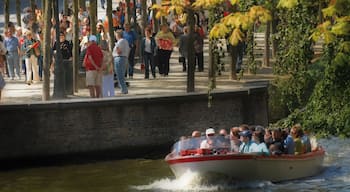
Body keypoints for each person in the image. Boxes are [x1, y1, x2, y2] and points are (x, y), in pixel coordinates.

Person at [113, 30, 130, 94]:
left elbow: (119, 51)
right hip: (124, 58)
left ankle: (124, 89)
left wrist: (116, 46)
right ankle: (123, 89)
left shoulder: (120, 42)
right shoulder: (125, 41)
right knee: (121, 74)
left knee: (119, 75)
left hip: (119, 58)